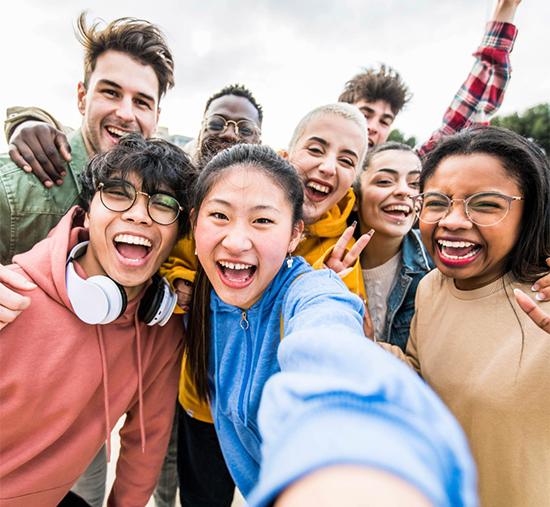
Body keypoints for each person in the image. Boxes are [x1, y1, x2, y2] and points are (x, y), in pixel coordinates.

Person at [182, 142, 476, 506]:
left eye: (262, 220)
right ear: (194, 224)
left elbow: (330, 346)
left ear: (294, 235)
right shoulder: (198, 291)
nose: (237, 241)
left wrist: (356, 459)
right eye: (220, 216)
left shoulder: (313, 291)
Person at [0, 134, 197, 506]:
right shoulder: (12, 296)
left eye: (163, 203)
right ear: (87, 213)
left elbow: (145, 448)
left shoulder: (162, 331)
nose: (139, 214)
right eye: (119, 193)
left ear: (178, 236)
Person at [395, 126, 550, 506]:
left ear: (528, 213)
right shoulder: (431, 287)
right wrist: (366, 346)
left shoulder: (544, 301)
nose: (452, 220)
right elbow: (425, 379)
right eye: (436, 202)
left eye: (485, 204)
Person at [0, 12, 175, 265]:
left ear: (156, 117)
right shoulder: (15, 190)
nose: (125, 114)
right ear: (82, 98)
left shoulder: (165, 202)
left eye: (141, 102)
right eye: (111, 92)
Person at [161, 82, 264, 507]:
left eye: (244, 127)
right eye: (217, 123)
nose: (229, 133)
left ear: (260, 139)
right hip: (197, 396)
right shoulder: (178, 187)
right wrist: (180, 277)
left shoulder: (272, 192)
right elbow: (163, 253)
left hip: (258, 402)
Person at [339, 0, 522, 155]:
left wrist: (507, 8)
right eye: (364, 115)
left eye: (385, 121)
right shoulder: (313, 165)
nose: (372, 127)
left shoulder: (405, 173)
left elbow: (464, 116)